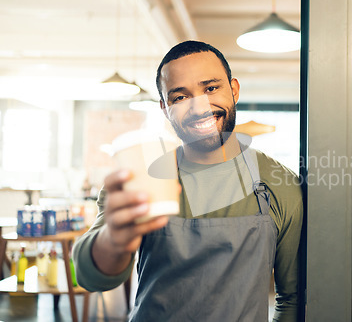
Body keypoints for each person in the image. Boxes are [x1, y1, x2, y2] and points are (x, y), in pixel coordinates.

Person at [73, 40, 303, 322]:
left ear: (234, 90)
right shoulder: (141, 177)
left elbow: (292, 298)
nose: (199, 107)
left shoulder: (278, 183)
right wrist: (114, 241)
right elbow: (90, 277)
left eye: (211, 88)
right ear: (164, 108)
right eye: (180, 97)